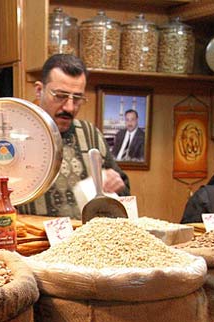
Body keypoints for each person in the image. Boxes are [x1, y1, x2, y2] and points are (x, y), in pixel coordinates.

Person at [18, 54, 130, 218]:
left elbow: (123, 190)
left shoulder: (90, 135)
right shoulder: (11, 137)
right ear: (39, 90)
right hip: (33, 241)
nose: (69, 107)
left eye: (77, 98)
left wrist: (117, 183)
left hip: (84, 241)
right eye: (60, 96)